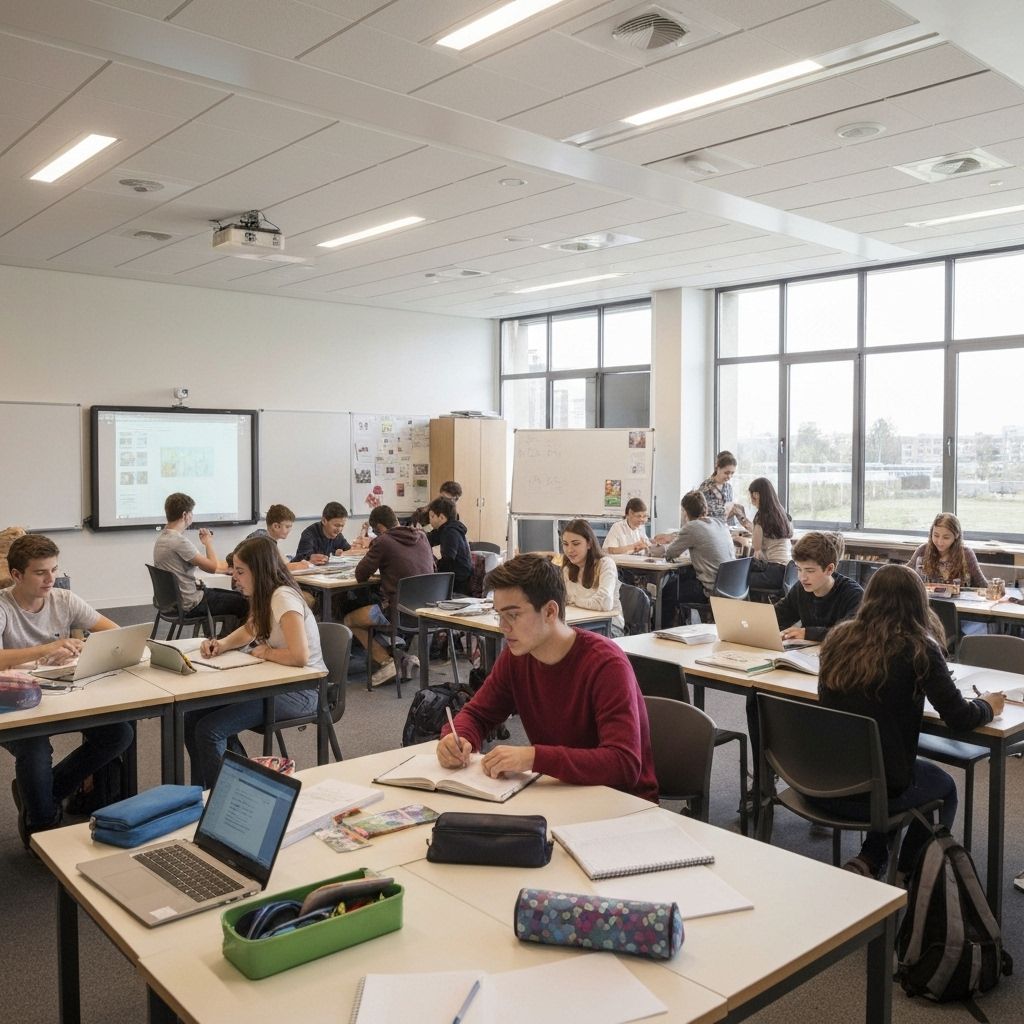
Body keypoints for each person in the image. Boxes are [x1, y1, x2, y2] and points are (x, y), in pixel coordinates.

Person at [812, 564, 1002, 878]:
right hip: (876, 788)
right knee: (942, 788)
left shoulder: (838, 639)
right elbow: (959, 717)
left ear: (869, 597)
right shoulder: (918, 647)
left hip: (821, 779)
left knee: (888, 767)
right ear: (919, 603)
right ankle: (909, 873)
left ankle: (870, 858)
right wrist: (987, 706)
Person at [436, 554, 658, 802]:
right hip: (559, 791)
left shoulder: (605, 664)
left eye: (513, 615)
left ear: (550, 611)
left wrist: (534, 757)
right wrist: (457, 737)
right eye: (499, 615)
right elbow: (478, 714)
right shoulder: (517, 656)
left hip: (621, 803)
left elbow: (624, 763)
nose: (503, 627)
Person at [0, 534, 133, 847]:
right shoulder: (3, 606)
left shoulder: (64, 599)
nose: (51, 579)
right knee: (35, 749)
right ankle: (42, 825)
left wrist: (81, 646)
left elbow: (115, 633)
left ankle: (40, 798)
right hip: (16, 702)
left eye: (54, 569)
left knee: (119, 734)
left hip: (62, 694)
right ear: (17, 575)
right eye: (40, 572)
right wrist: (45, 649)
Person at [182, 537, 326, 788]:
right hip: (276, 685)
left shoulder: (283, 597)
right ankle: (211, 790)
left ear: (259, 571)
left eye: (241, 572)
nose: (235, 578)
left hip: (302, 691)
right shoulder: (267, 595)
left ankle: (227, 796)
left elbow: (300, 656)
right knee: (194, 716)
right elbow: (250, 629)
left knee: (210, 730)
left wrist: (266, 653)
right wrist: (222, 644)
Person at [344, 505, 434, 686]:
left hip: (398, 613)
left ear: (379, 528)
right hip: (427, 610)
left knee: (350, 620)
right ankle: (402, 657)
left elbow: (361, 574)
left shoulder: (383, 541)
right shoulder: (422, 536)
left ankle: (387, 663)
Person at [153, 492, 247, 632]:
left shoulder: (161, 539)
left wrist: (222, 570)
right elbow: (212, 567)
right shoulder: (179, 542)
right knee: (243, 602)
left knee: (216, 594)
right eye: (191, 513)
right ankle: (227, 641)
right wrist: (208, 542)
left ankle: (218, 638)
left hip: (171, 604)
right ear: (185, 515)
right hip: (190, 604)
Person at [774, 531, 863, 642]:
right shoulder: (800, 589)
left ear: (829, 569)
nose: (802, 578)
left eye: (810, 571)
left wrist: (808, 633)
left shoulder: (854, 594)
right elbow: (777, 616)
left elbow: (852, 632)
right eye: (799, 569)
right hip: (807, 651)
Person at [661, 491, 734, 625]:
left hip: (711, 589)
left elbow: (670, 553)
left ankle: (664, 631)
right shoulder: (719, 524)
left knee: (667, 591)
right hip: (731, 586)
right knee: (683, 579)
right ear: (705, 508)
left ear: (685, 512)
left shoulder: (692, 526)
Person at [560, 519, 624, 635]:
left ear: (589, 543)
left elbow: (604, 603)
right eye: (565, 544)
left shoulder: (605, 564)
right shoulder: (567, 569)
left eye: (576, 544)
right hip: (578, 624)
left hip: (609, 626)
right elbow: (564, 600)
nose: (569, 550)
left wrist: (574, 600)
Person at [735, 478, 792, 593]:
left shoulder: (761, 517)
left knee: (737, 578)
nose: (751, 500)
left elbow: (757, 551)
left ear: (756, 495)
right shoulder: (781, 513)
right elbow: (760, 532)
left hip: (774, 572)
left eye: (751, 495)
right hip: (789, 571)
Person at [425, 496, 472, 594]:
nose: (430, 520)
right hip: (456, 577)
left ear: (442, 517)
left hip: (458, 582)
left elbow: (448, 558)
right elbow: (430, 538)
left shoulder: (450, 532)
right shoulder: (445, 529)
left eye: (432, 516)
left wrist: (436, 569)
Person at [242, 503, 310, 570]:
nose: (289, 530)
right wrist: (296, 566)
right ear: (275, 526)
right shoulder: (260, 540)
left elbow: (284, 562)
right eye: (287, 527)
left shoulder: (267, 539)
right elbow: (270, 568)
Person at [294, 501, 352, 565]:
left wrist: (345, 552)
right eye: (336, 525)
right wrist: (310, 558)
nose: (339, 529)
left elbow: (349, 550)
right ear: (324, 521)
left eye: (342, 526)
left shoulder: (337, 535)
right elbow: (303, 558)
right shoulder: (308, 534)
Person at [698, 451, 744, 524]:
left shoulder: (728, 487)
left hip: (728, 528)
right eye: (726, 473)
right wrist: (728, 508)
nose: (729, 476)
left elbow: (729, 515)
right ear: (718, 468)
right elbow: (702, 513)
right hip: (711, 527)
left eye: (732, 473)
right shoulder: (706, 487)